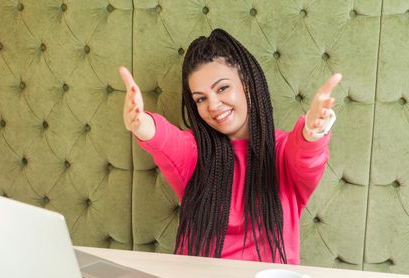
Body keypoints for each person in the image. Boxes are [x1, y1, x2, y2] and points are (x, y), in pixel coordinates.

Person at [119, 29, 341, 265]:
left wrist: (313, 130)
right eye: (200, 99)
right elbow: (166, 141)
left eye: (222, 88)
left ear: (247, 83)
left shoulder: (283, 153)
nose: (213, 105)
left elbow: (305, 154)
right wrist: (140, 123)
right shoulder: (196, 153)